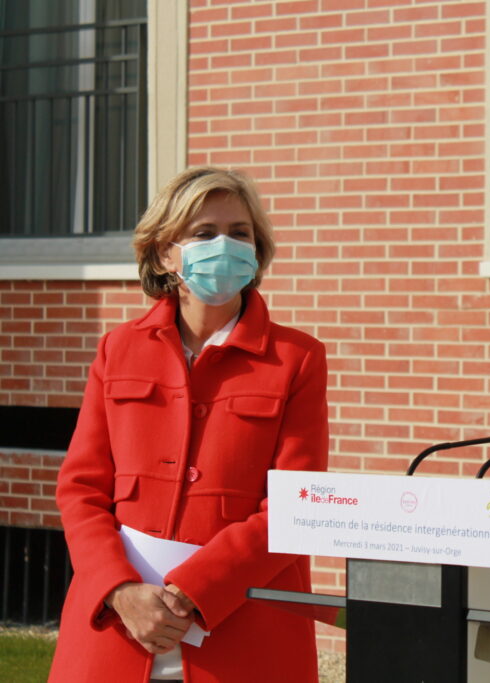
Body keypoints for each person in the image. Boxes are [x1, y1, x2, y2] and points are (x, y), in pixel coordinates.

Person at [50, 167, 328, 682]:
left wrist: (193, 592)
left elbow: (297, 507)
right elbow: (81, 489)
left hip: (245, 640)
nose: (225, 245)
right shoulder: (117, 349)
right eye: (203, 233)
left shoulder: (298, 359)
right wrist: (120, 590)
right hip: (115, 635)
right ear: (164, 253)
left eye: (240, 233)